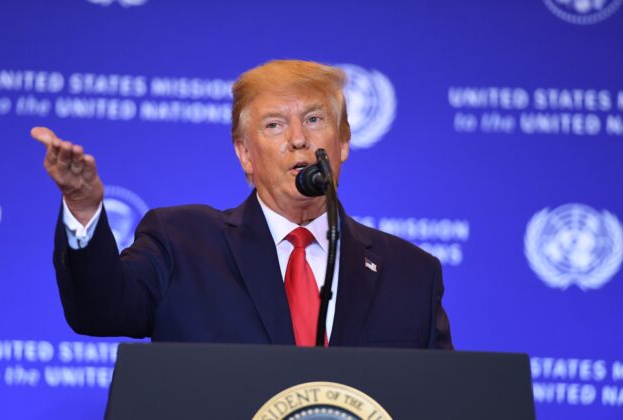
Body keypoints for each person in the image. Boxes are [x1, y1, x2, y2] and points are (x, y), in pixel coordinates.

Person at [31, 59, 453, 349]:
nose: (298, 139)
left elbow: (437, 398)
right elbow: (99, 311)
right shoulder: (182, 243)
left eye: (314, 119)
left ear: (342, 143)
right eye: (274, 125)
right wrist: (83, 207)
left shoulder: (411, 273)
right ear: (245, 155)